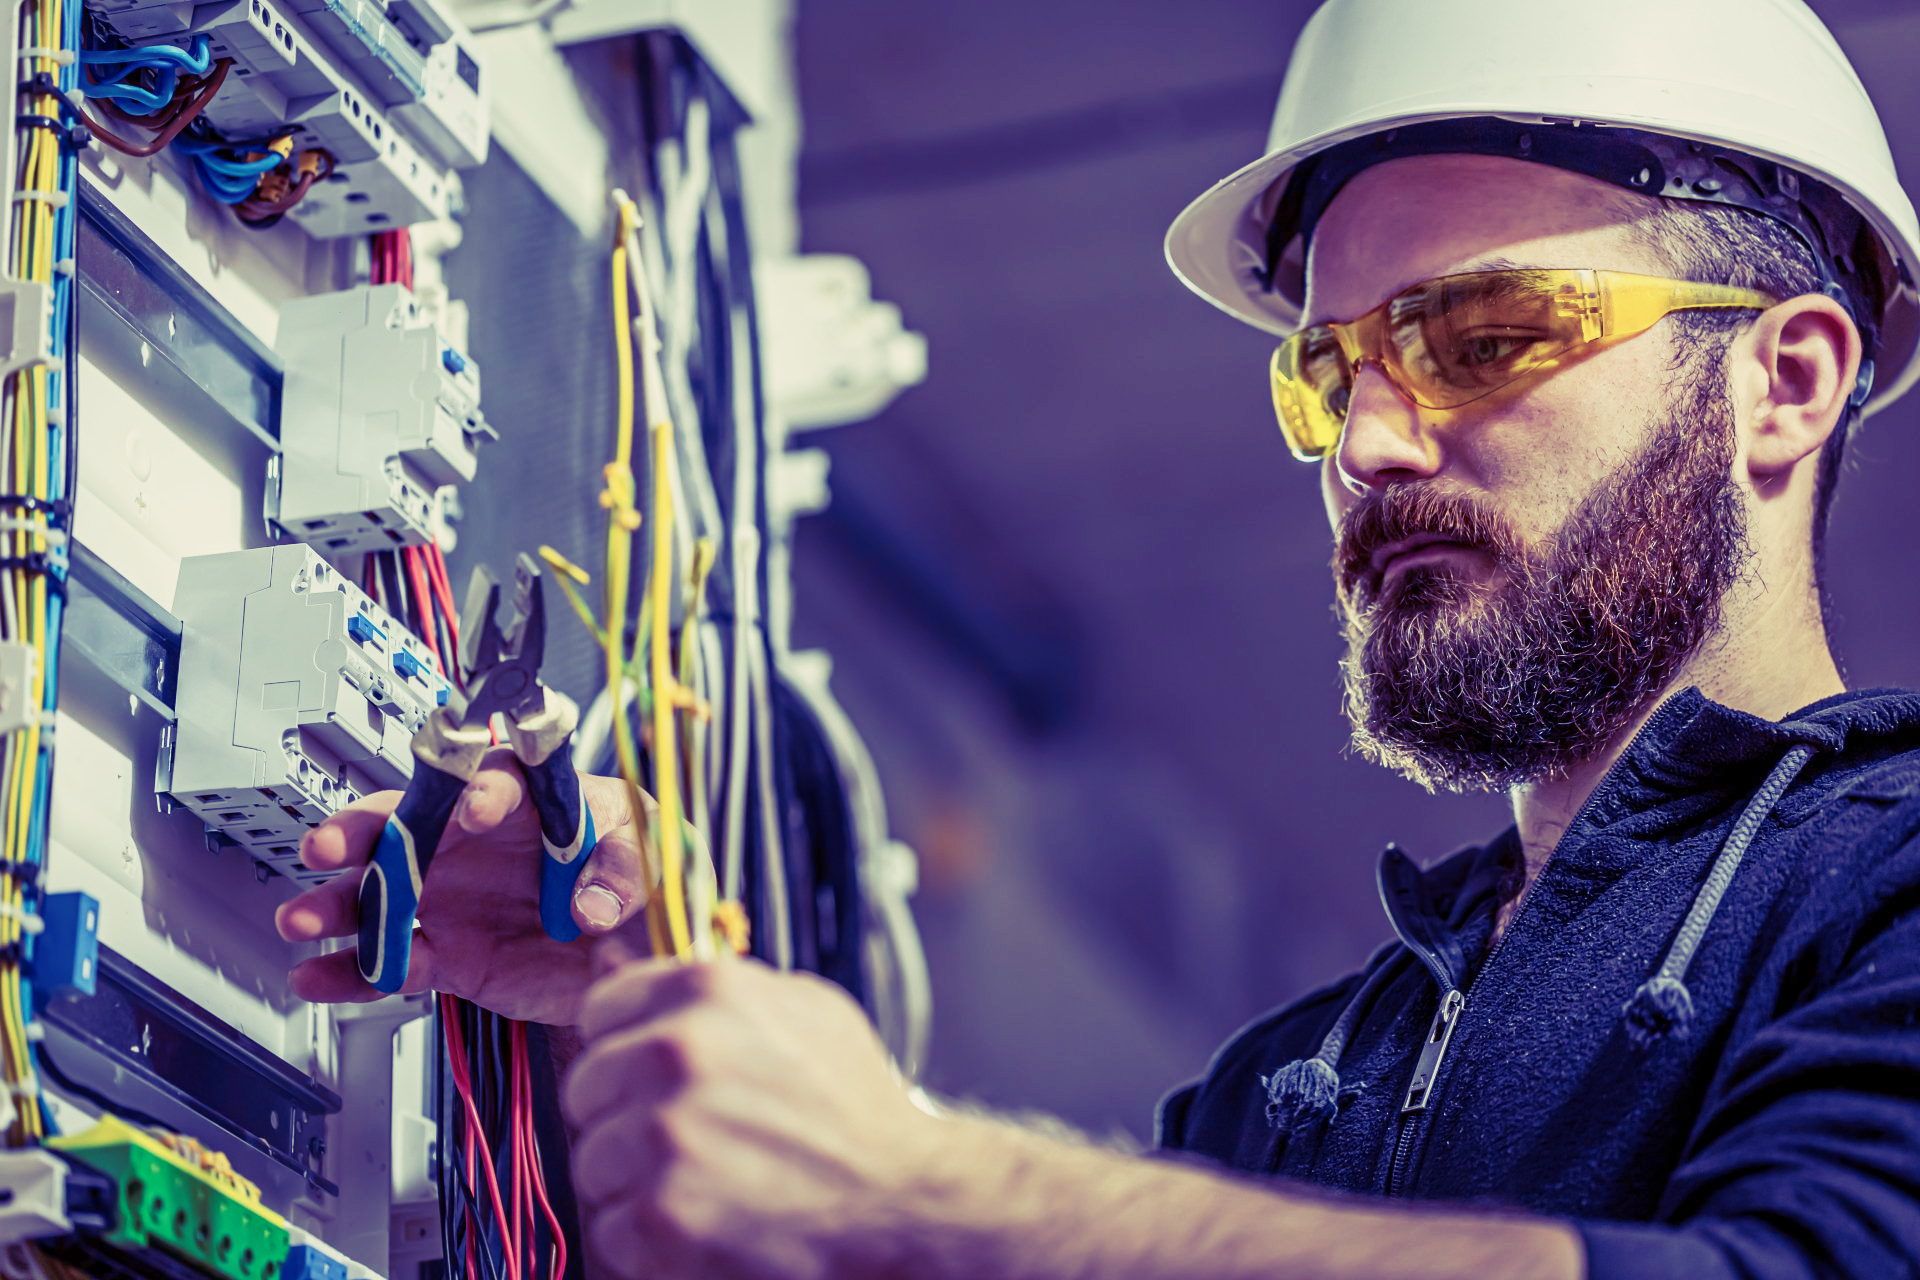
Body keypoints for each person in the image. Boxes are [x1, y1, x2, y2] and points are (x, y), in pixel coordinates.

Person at [274, 0, 1920, 1276]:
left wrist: (919, 1187)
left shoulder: (1883, 888)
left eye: (1482, 335)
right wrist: (625, 1036)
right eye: (1333, 373)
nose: (1369, 447)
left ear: (1785, 382)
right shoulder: (1289, 1088)